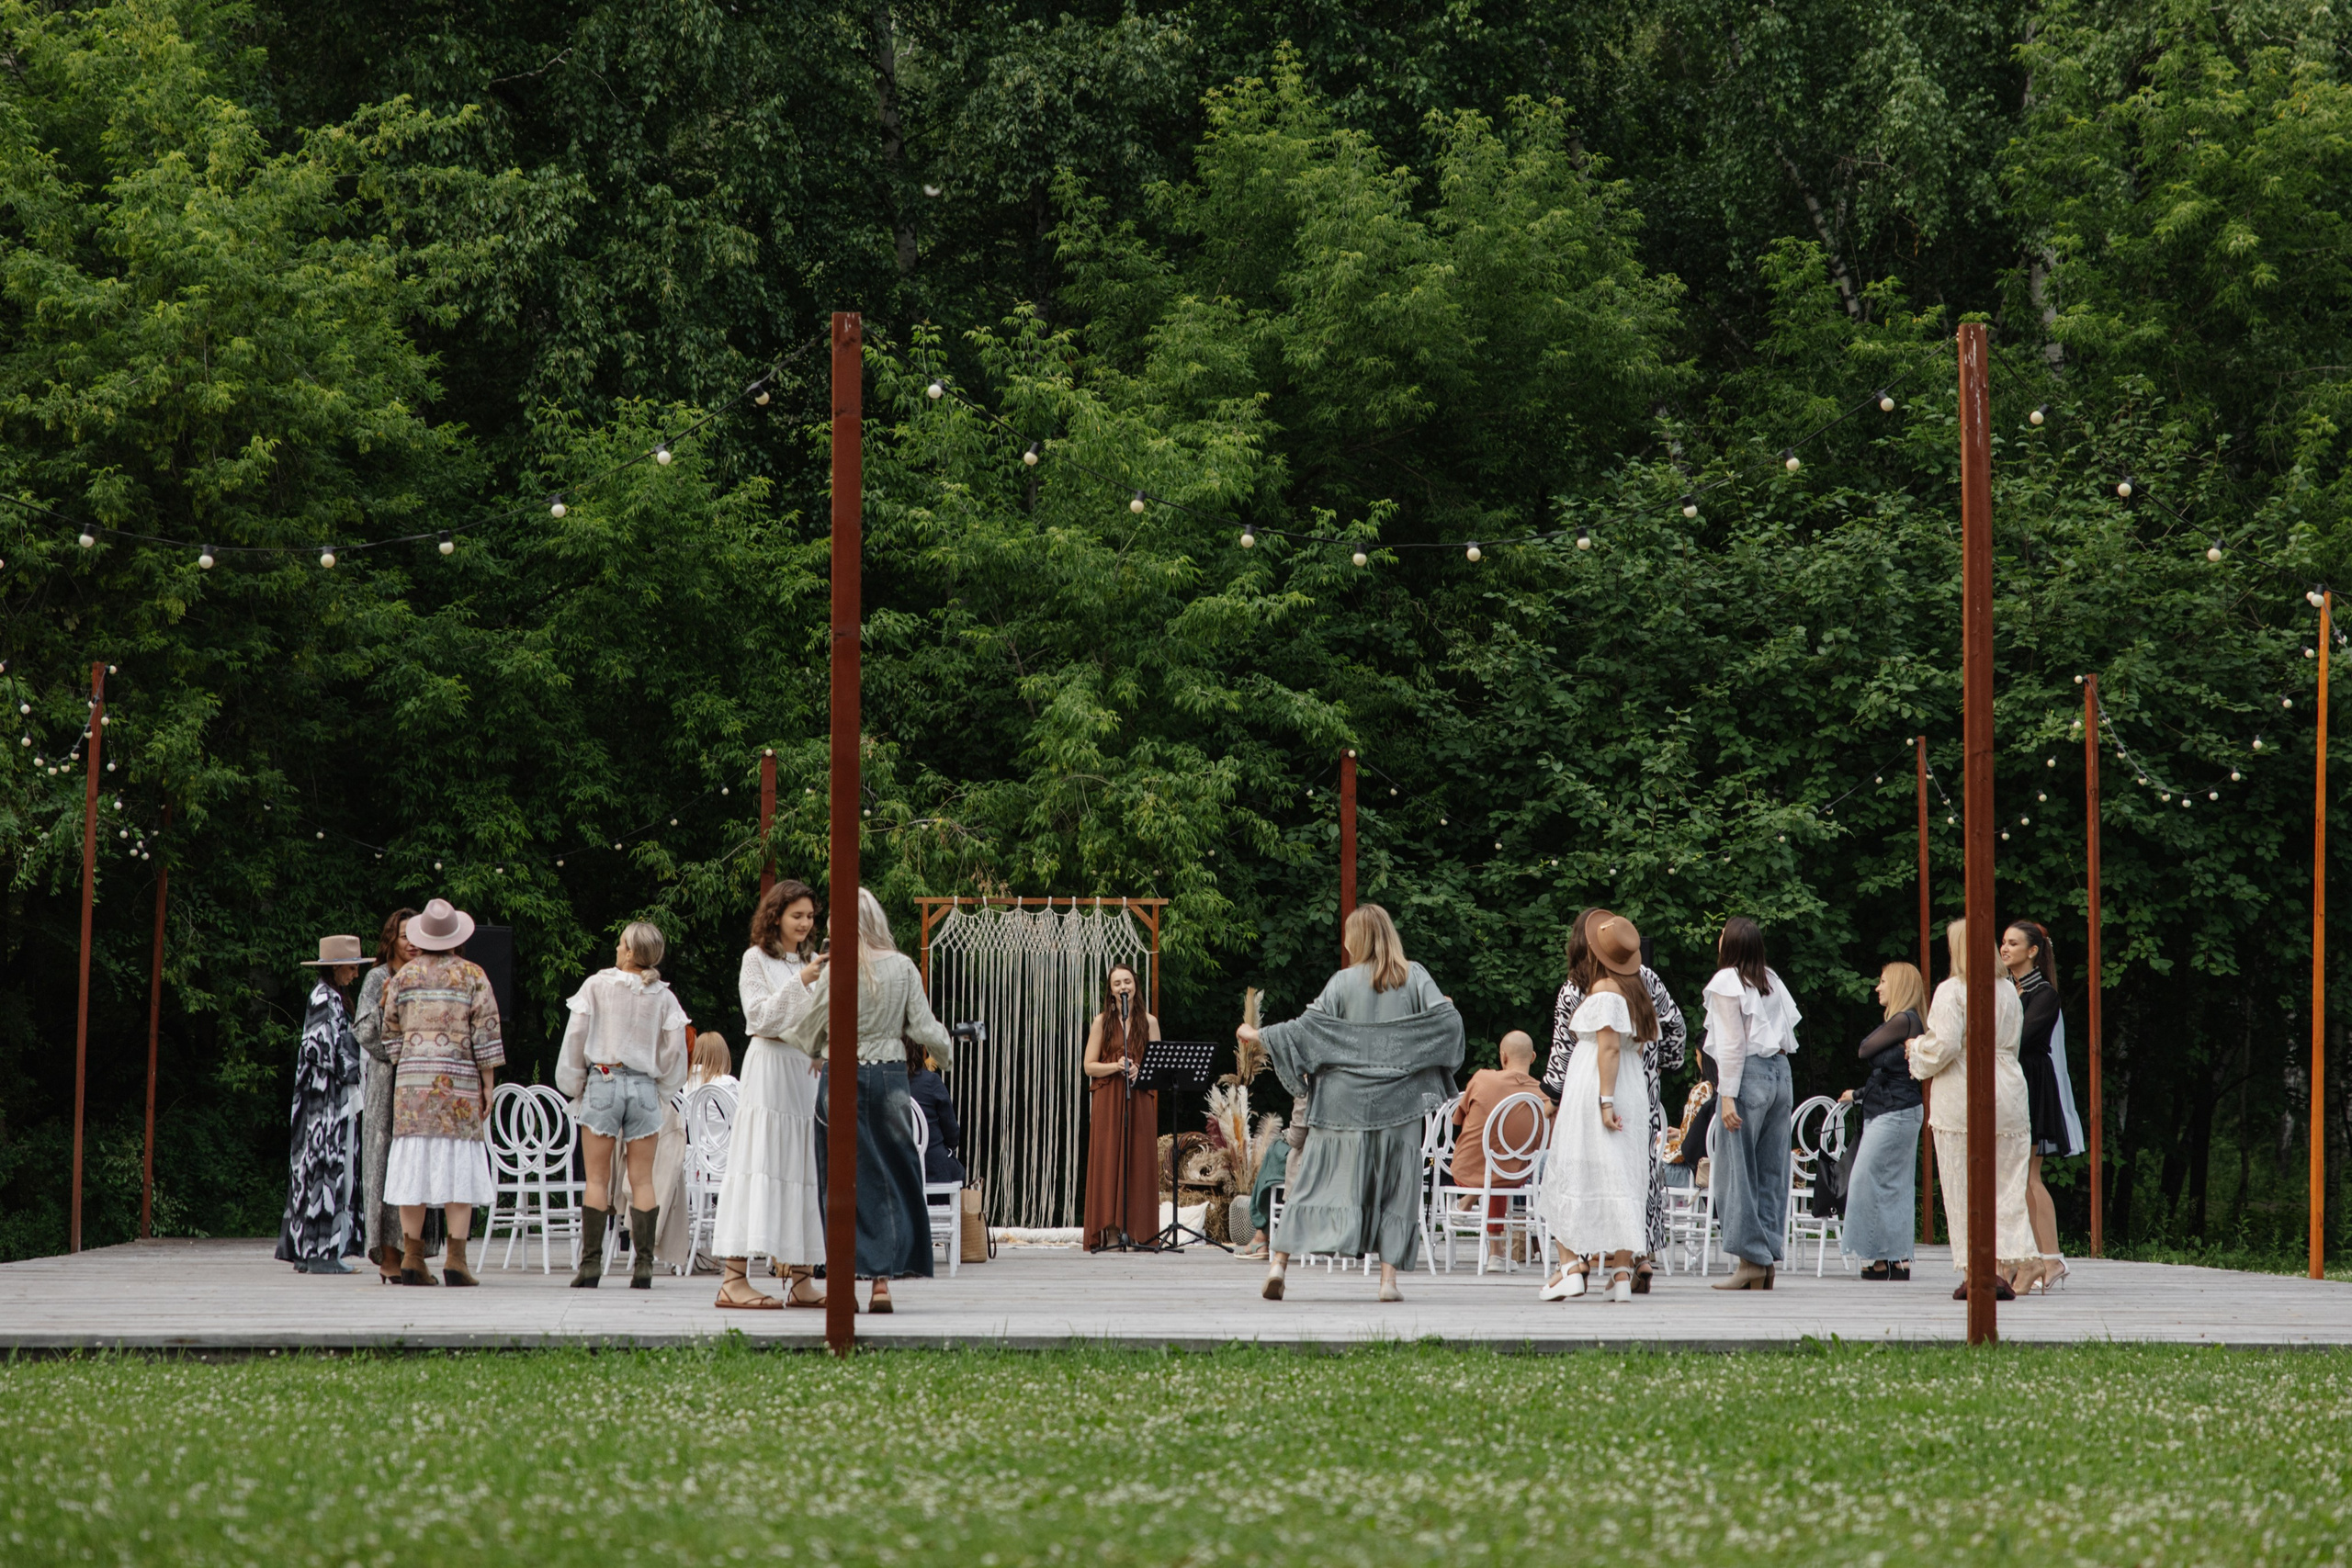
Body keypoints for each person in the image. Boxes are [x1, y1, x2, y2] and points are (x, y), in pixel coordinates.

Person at [1238, 904, 1464, 1303]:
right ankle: (1388, 1282)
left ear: (1358, 938)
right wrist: (1411, 1045)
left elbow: (1306, 1030)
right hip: (1399, 1102)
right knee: (1397, 1189)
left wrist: (1260, 1035)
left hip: (1341, 1103)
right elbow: (1449, 1024)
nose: (1344, 942)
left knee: (1314, 1181)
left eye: (1347, 935)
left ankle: (1278, 1265)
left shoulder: (1342, 982)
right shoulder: (1415, 976)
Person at [783, 887, 952, 1313]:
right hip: (890, 1078)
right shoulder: (903, 967)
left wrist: (812, 1047)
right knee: (893, 1174)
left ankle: (844, 1284)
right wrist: (945, 1053)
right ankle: (881, 1285)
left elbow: (810, 1029)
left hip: (841, 1076)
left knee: (838, 1179)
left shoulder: (836, 968)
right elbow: (923, 1027)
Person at [1542, 908, 1688, 1289]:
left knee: (1586, 1168)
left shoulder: (1580, 986)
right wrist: (1662, 1066)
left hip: (1596, 1087)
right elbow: (1675, 1025)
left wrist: (1553, 1094)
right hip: (1640, 1086)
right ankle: (1636, 1260)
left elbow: (1564, 1047)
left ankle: (1581, 1257)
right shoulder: (1646, 980)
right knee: (1637, 1172)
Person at [712, 880, 829, 1309]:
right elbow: (758, 1016)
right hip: (769, 1065)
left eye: (810, 916)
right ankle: (733, 1280)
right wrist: (801, 981)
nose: (805, 923)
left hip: (804, 1069)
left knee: (804, 1165)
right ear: (776, 916)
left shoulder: (814, 960)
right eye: (797, 915)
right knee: (759, 1161)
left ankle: (801, 1280)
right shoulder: (755, 959)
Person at [556, 921, 691, 1290]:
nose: (616, 948)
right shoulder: (664, 997)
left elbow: (575, 1038)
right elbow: (676, 1053)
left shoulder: (596, 986)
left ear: (630, 952)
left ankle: (590, 1266)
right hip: (645, 1086)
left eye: (620, 944)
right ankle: (643, 1267)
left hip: (604, 1080)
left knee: (597, 1179)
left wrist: (575, 1085)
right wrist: (661, 1087)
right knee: (643, 1179)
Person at [380, 898, 503, 1287]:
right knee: (458, 1168)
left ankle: (412, 1258)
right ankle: (456, 1261)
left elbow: (389, 1031)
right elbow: (486, 1032)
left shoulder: (403, 977)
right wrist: (488, 1083)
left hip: (412, 1088)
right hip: (459, 1087)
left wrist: (409, 1060)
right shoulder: (473, 975)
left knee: (412, 1168)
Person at [1908, 919, 2033, 1300]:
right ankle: (2004, 1264)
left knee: (1963, 1182)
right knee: (2007, 1184)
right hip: (2008, 1088)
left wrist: (1916, 1048)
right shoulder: (2008, 990)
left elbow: (1945, 1045)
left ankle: (1976, 1269)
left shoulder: (1952, 990)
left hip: (1964, 1090)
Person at [1703, 916, 1802, 1291]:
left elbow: (1732, 1043)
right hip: (1781, 1073)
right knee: (1772, 1170)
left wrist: (1726, 1094)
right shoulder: (1770, 979)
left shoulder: (1726, 981)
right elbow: (1785, 1033)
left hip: (1748, 1075)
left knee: (1737, 1172)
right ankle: (1765, 1262)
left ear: (1730, 944)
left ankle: (1750, 1261)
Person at [276, 934, 366, 1274]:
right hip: (322, 1103)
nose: (355, 974)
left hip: (325, 1099)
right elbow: (320, 1048)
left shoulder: (330, 997)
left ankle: (312, 1250)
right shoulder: (323, 998)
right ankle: (321, 1253)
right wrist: (360, 1057)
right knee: (325, 1170)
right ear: (336, 967)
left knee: (317, 1170)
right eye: (351, 967)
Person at [2002, 919, 2083, 1293]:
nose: (2005, 949)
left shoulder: (2044, 993)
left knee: (2029, 1176)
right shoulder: (2006, 988)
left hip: (2031, 1082)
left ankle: (2051, 1259)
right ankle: (2026, 1257)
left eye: (2013, 943)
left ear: (2032, 951)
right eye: (2003, 942)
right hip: (2010, 1080)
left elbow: (2020, 1038)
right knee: (2015, 1179)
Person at [1838, 962, 1928, 1280]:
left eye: (1884, 981)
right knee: (1894, 1184)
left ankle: (1877, 1257)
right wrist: (1858, 1094)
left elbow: (1865, 1049)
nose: (1878, 988)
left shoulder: (1904, 1019)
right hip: (1897, 1109)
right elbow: (1891, 1073)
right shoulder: (1907, 1022)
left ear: (1900, 985)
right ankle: (1897, 1259)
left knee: (1864, 1179)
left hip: (1895, 1113)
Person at [353, 908, 420, 1284]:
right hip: (387, 1082)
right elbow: (363, 1030)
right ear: (391, 939)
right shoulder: (378, 977)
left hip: (422, 1084)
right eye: (405, 935)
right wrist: (400, 1052)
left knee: (418, 1162)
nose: (412, 943)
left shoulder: (427, 976)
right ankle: (389, 1256)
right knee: (384, 1162)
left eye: (417, 936)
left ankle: (415, 1254)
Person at [1451, 1032, 1552, 1266]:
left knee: (1492, 1162)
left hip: (1468, 1168)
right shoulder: (1544, 1095)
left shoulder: (1482, 1079)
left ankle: (1469, 1203)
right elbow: (1545, 1143)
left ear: (1503, 1056)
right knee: (1502, 1163)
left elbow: (1458, 1119)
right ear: (1533, 1057)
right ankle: (1496, 1253)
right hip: (1515, 1174)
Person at [1081, 964, 1159, 1248]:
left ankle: (1139, 1230)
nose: (1123, 987)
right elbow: (1089, 1066)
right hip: (1108, 1099)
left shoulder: (1149, 1021)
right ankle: (1111, 1231)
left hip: (1138, 1097)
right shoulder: (1101, 1022)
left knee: (1138, 1160)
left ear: (1135, 985)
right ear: (1111, 991)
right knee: (1109, 1161)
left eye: (1127, 981)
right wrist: (1115, 1066)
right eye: (1117, 983)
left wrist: (1141, 1070)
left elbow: (1158, 1066)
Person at [908, 1043, 965, 1185]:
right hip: (934, 1172)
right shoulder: (931, 1081)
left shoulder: (885, 1084)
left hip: (895, 1176)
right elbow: (952, 1133)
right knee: (958, 1171)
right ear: (921, 1050)